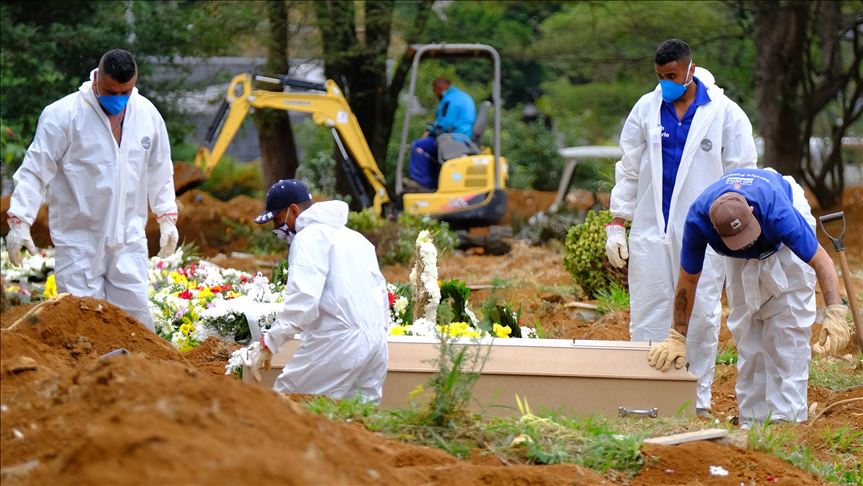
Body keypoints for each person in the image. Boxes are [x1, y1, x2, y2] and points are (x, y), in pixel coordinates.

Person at [604, 39, 758, 416]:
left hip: (705, 232)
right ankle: (646, 400)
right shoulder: (646, 108)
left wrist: (738, 231)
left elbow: (743, 173)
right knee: (649, 307)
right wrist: (616, 223)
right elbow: (628, 169)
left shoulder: (724, 113)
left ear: (690, 69)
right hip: (651, 230)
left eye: (671, 76)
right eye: (659, 77)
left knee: (702, 312)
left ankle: (696, 401)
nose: (665, 84)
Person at [648, 168, 850, 426]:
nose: (746, 245)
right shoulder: (698, 221)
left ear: (753, 213)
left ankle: (787, 419)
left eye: (746, 237)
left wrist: (835, 311)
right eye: (738, 241)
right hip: (738, 254)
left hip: (781, 244)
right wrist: (677, 335)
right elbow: (688, 279)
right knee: (746, 329)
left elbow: (821, 261)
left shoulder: (780, 213)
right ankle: (752, 419)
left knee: (787, 327)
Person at [6, 49, 178, 331]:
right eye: (112, 91)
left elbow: (160, 169)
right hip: (79, 243)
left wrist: (167, 218)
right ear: (97, 78)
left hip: (128, 240)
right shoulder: (64, 115)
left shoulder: (147, 114)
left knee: (135, 327)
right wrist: (19, 222)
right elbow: (35, 170)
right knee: (83, 328)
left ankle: (137, 376)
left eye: (127, 91)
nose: (119, 99)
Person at [248, 179, 389, 403]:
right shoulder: (355, 238)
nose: (276, 228)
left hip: (337, 341)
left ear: (293, 210)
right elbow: (381, 293)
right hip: (376, 343)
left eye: (277, 219)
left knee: (286, 404)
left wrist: (269, 343)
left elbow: (303, 302)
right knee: (358, 421)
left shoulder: (308, 238)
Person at [407, 76, 476, 191]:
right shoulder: (462, 96)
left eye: (436, 92)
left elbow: (445, 124)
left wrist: (430, 132)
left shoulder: (450, 99)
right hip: (462, 137)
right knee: (431, 150)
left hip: (454, 139)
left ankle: (422, 184)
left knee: (419, 146)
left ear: (439, 88)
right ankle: (435, 183)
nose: (437, 96)